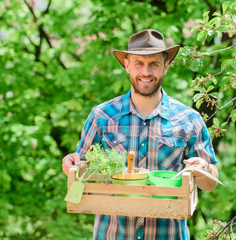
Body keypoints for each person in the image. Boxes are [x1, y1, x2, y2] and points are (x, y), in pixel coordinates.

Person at [62, 29, 218, 240]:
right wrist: (71, 164)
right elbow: (80, 168)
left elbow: (211, 183)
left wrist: (204, 169)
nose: (146, 72)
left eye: (154, 64)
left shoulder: (188, 120)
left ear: (166, 66)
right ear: (127, 65)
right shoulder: (102, 116)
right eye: (138, 64)